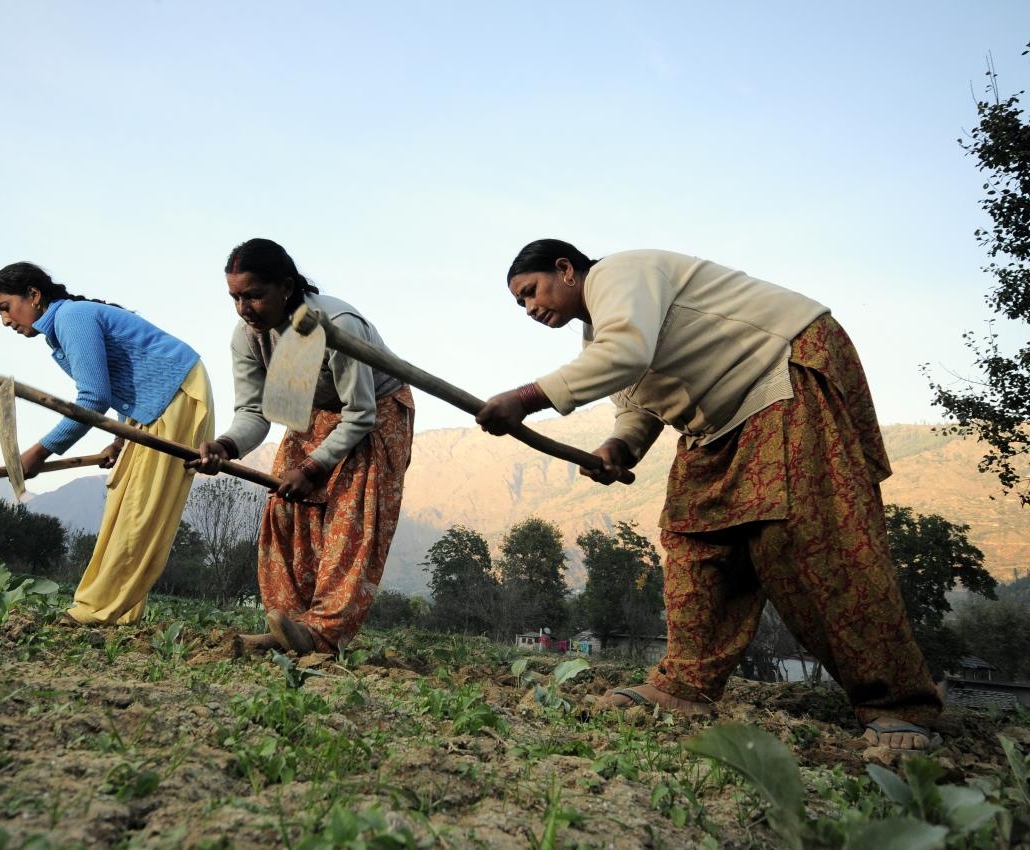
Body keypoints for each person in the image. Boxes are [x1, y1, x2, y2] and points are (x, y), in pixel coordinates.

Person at [475, 240, 944, 751]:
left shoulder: (620, 275)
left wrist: (524, 399)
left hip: (780, 371)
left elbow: (626, 354)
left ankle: (898, 704)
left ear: (565, 269)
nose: (530, 308)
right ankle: (685, 685)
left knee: (811, 540)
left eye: (531, 291)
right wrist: (617, 448)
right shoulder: (599, 337)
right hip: (717, 423)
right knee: (693, 538)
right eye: (520, 304)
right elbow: (640, 403)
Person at [189, 238, 414, 655]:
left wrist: (313, 468)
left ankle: (321, 633)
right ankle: (289, 628)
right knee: (286, 508)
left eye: (255, 295)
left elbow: (360, 414)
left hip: (375, 413)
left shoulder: (336, 324)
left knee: (350, 522)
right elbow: (255, 412)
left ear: (286, 287)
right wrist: (226, 445)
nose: (244, 308)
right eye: (235, 297)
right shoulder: (248, 337)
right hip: (313, 412)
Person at [0, 261, 213, 626]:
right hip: (151, 404)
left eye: (5, 308)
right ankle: (116, 610)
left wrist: (41, 450)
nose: (4, 321)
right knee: (123, 498)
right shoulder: (65, 325)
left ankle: (95, 610)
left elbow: (93, 397)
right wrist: (120, 441)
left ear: (33, 295)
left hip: (176, 394)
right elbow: (128, 382)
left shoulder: (72, 318)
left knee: (140, 509)